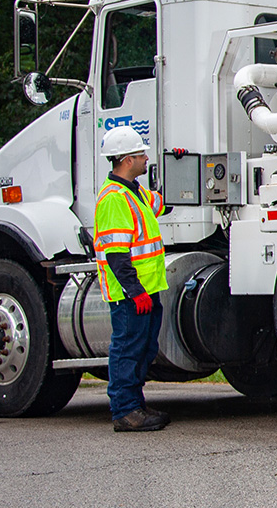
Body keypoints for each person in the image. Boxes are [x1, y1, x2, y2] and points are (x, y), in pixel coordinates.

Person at [96, 125, 171, 431]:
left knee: (143, 350)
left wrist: (181, 168)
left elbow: (164, 203)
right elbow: (116, 254)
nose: (145, 158)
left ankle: (134, 405)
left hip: (146, 290)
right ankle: (124, 411)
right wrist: (135, 290)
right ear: (127, 160)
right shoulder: (114, 199)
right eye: (141, 154)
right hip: (130, 294)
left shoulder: (134, 191)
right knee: (127, 349)